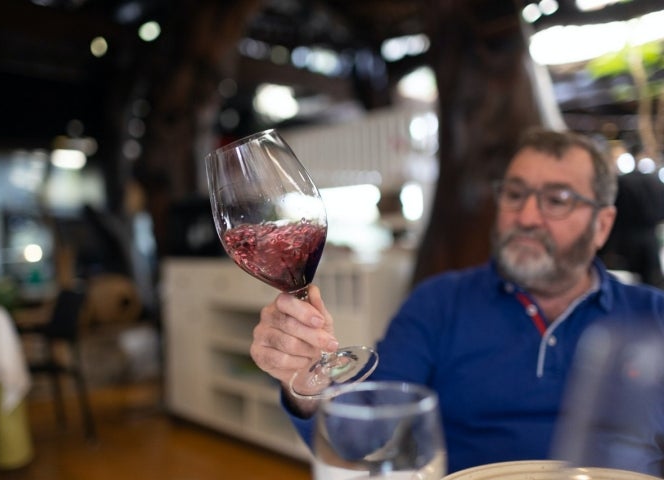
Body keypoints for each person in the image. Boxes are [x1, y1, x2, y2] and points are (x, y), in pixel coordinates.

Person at [249, 128, 664, 476]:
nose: (527, 217)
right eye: (515, 194)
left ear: (602, 224)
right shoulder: (440, 303)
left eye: (556, 200)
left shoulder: (654, 317)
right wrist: (306, 380)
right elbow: (360, 439)